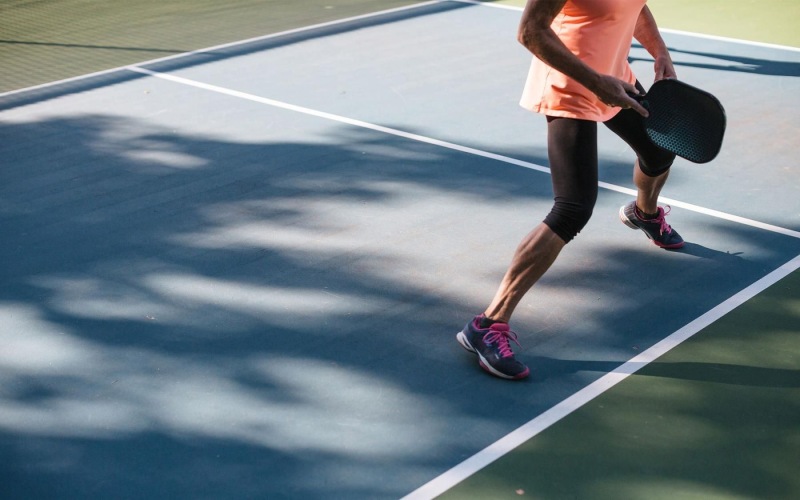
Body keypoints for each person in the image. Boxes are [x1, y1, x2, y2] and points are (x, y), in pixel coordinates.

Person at [456, 0, 684, 380]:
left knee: (660, 150)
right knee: (573, 208)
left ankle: (644, 214)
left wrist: (660, 51)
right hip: (571, 85)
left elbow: (636, 8)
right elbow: (530, 31)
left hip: (614, 76)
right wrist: (596, 83)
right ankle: (487, 324)